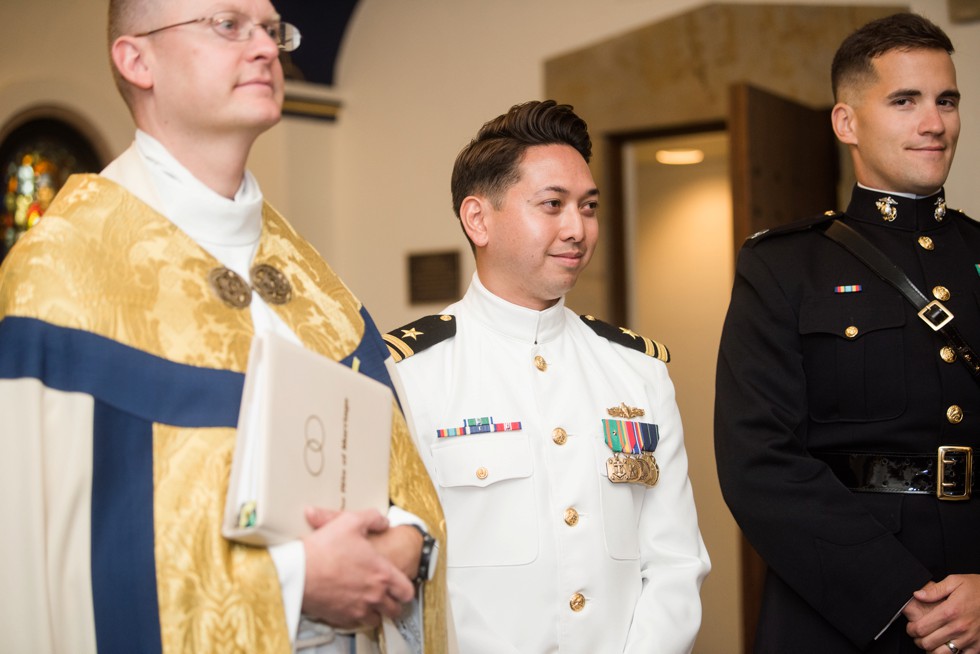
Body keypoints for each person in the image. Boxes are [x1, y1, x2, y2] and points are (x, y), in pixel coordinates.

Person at [0, 0, 451, 652]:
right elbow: (41, 564)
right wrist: (294, 579)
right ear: (137, 59)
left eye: (271, 29)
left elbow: (393, 472)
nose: (267, 48)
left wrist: (410, 539)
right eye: (228, 25)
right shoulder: (58, 279)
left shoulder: (315, 284)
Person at [385, 100, 710, 653]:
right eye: (552, 205)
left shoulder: (637, 371)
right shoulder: (409, 374)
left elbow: (676, 562)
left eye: (588, 207)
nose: (577, 229)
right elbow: (398, 583)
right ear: (478, 219)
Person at [715, 12, 980, 654]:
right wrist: (899, 593)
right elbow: (758, 461)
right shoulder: (783, 265)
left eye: (946, 100)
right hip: (843, 611)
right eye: (904, 101)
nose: (933, 124)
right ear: (847, 122)